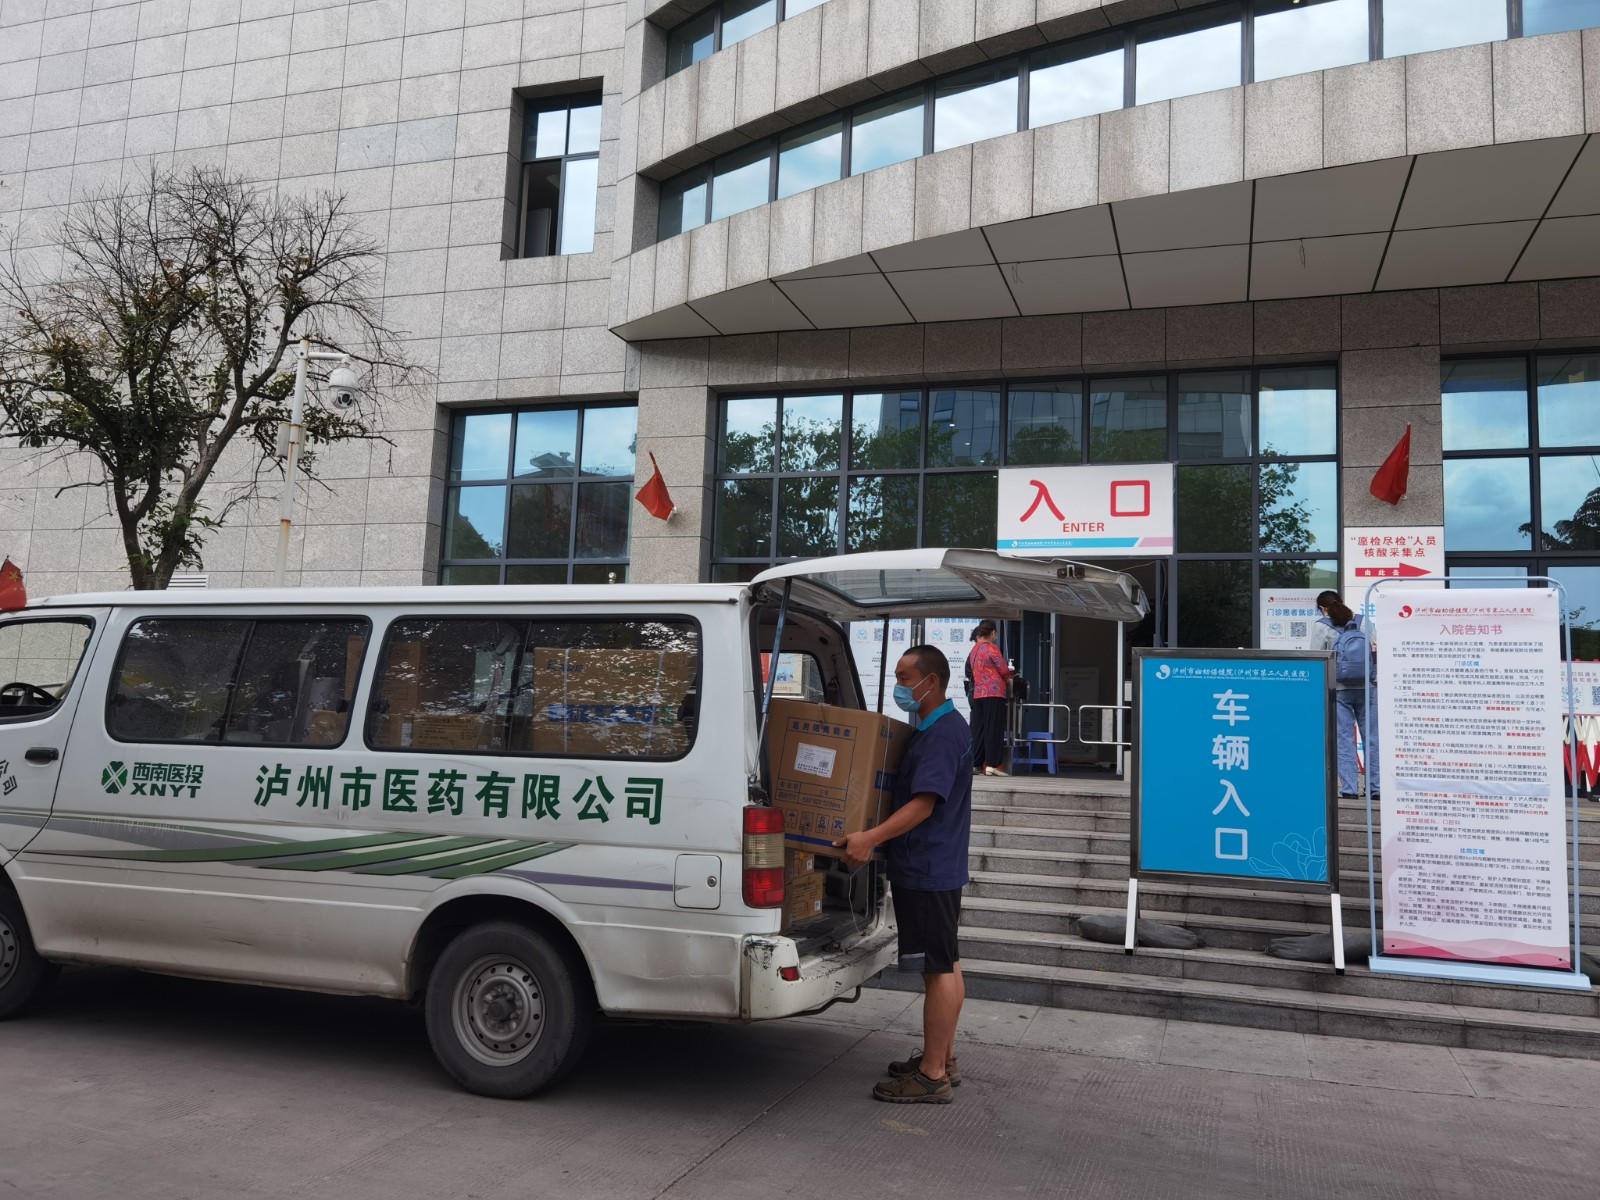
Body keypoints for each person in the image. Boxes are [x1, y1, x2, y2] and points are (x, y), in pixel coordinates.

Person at [835, 644, 971, 1105]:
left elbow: (923, 804)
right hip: (936, 865)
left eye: (904, 677)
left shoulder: (940, 735)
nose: (899, 686)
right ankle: (943, 1058)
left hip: (928, 866)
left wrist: (870, 838)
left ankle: (933, 1075)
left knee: (937, 970)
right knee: (946, 963)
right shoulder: (938, 728)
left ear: (931, 682)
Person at [1314, 591, 1380, 798]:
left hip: (1339, 688)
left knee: (1344, 738)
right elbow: (1376, 651)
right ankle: (1375, 788)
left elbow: (1316, 658)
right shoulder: (1364, 622)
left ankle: (1349, 789)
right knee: (1372, 738)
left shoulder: (1321, 626)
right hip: (1367, 687)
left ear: (1322, 608)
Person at [967, 619, 1013, 776]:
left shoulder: (974, 649)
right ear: (993, 633)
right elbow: (1004, 670)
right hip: (994, 692)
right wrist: (1008, 677)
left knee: (979, 729)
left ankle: (976, 763)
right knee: (993, 727)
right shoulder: (992, 649)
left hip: (978, 692)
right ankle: (992, 765)